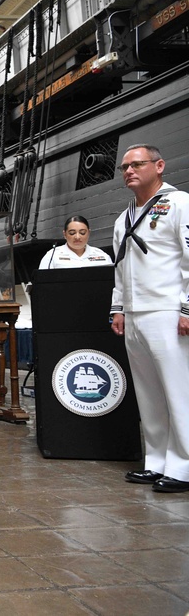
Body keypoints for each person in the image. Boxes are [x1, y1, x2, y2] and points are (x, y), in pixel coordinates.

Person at [110, 144, 189, 493]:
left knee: (179, 391)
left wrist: (188, 308)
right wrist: (118, 308)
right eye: (125, 167)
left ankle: (184, 466)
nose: (129, 171)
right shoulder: (122, 218)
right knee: (149, 394)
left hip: (167, 310)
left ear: (159, 165)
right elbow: (120, 268)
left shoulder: (180, 204)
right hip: (135, 313)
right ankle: (156, 461)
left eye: (137, 164)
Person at [38, 215, 113, 269]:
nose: (77, 237)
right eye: (72, 233)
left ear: (89, 233)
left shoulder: (101, 255)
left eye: (82, 232)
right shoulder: (52, 256)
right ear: (65, 234)